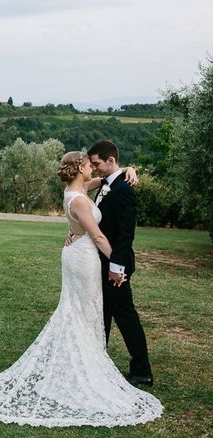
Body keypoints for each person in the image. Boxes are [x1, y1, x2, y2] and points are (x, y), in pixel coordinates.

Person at [0, 151, 162, 427]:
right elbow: (98, 235)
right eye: (89, 165)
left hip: (80, 252)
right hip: (85, 257)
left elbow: (107, 180)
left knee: (87, 310)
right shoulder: (78, 198)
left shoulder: (78, 189)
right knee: (80, 310)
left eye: (95, 164)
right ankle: (83, 368)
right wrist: (119, 263)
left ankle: (93, 363)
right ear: (80, 167)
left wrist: (131, 169)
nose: (93, 168)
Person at [87, 140, 153, 386]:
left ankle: (141, 370)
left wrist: (117, 268)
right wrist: (128, 168)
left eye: (97, 164)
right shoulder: (107, 184)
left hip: (116, 267)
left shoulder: (124, 191)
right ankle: (97, 360)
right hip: (101, 264)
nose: (95, 169)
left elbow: (126, 235)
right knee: (102, 314)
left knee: (126, 317)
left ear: (110, 161)